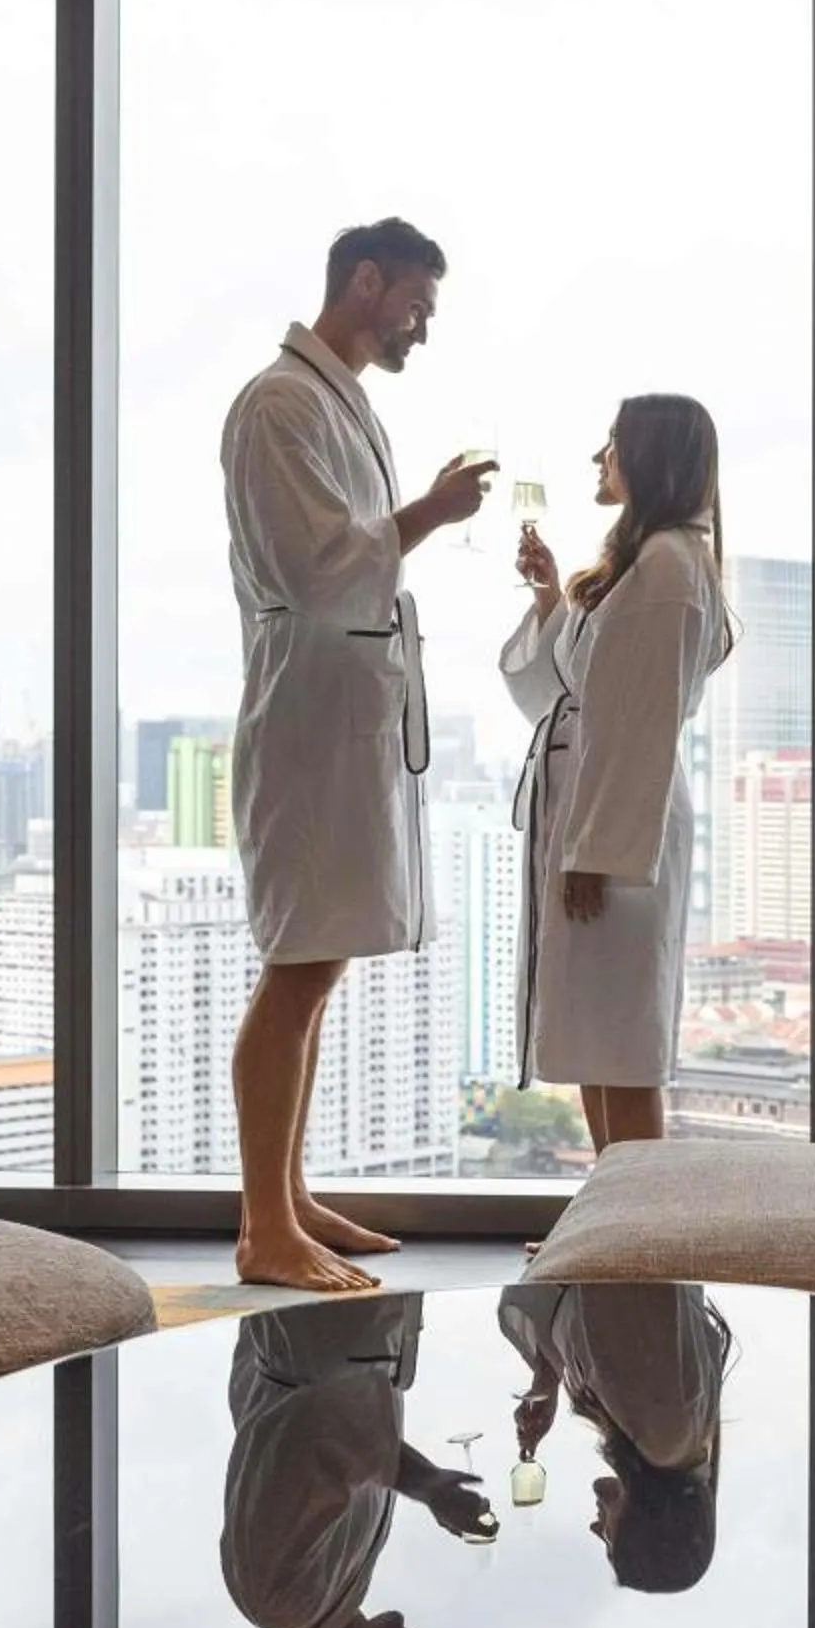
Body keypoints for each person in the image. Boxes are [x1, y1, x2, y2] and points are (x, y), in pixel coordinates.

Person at [225, 219, 494, 1291]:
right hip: (307, 715)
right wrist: (426, 511)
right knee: (296, 965)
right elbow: (317, 564)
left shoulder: (336, 401)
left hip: (345, 710)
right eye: (416, 307)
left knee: (318, 964)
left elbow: (345, 561)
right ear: (365, 281)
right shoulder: (277, 403)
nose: (421, 331)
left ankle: (287, 1197)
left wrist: (415, 508)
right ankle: (262, 1228)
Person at [500, 395, 733, 1149]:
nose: (600, 458)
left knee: (623, 1042)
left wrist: (595, 853)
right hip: (606, 817)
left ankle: (635, 1231)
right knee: (599, 1033)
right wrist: (550, 594)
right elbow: (589, 683)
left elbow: (639, 725)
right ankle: (611, 1218)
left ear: (651, 456)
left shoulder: (667, 565)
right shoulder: (658, 558)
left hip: (618, 831)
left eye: (612, 443)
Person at [219, 1298, 496, 1628]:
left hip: (317, 1310)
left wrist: (425, 1484)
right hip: (349, 1311)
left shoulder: (276, 1599)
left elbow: (312, 1429)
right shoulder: (344, 1583)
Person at [498, 1280, 730, 1595]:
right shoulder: (664, 1431)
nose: (597, 1530)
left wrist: (549, 1376)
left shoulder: (674, 1439)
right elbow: (611, 1272)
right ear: (649, 1533)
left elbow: (598, 1321)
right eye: (609, 1544)